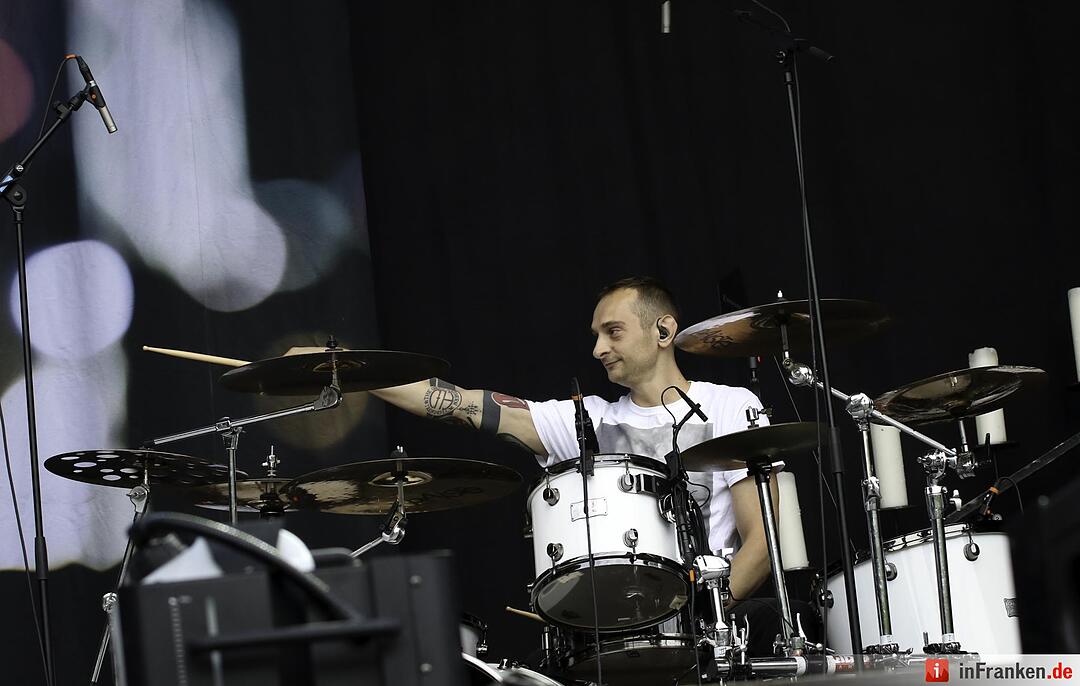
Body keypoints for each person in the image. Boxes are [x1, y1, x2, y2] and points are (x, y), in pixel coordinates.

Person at [371, 276, 791, 651]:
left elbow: (762, 544)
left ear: (663, 330)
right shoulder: (587, 419)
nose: (598, 349)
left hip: (711, 634)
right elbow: (463, 405)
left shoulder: (732, 406)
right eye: (596, 335)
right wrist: (355, 373)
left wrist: (699, 620)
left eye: (613, 332)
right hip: (615, 637)